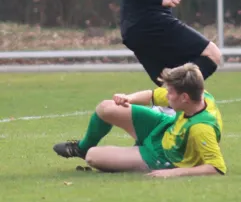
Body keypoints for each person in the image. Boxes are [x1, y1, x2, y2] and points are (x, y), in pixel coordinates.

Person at [53, 63, 226, 178]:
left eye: (170, 92)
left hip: (161, 157)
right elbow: (151, 95)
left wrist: (174, 173)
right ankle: (82, 148)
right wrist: (127, 98)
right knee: (107, 107)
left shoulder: (201, 128)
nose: (166, 95)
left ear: (185, 98)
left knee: (93, 157)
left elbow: (216, 168)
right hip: (162, 127)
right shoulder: (200, 96)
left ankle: (128, 154)